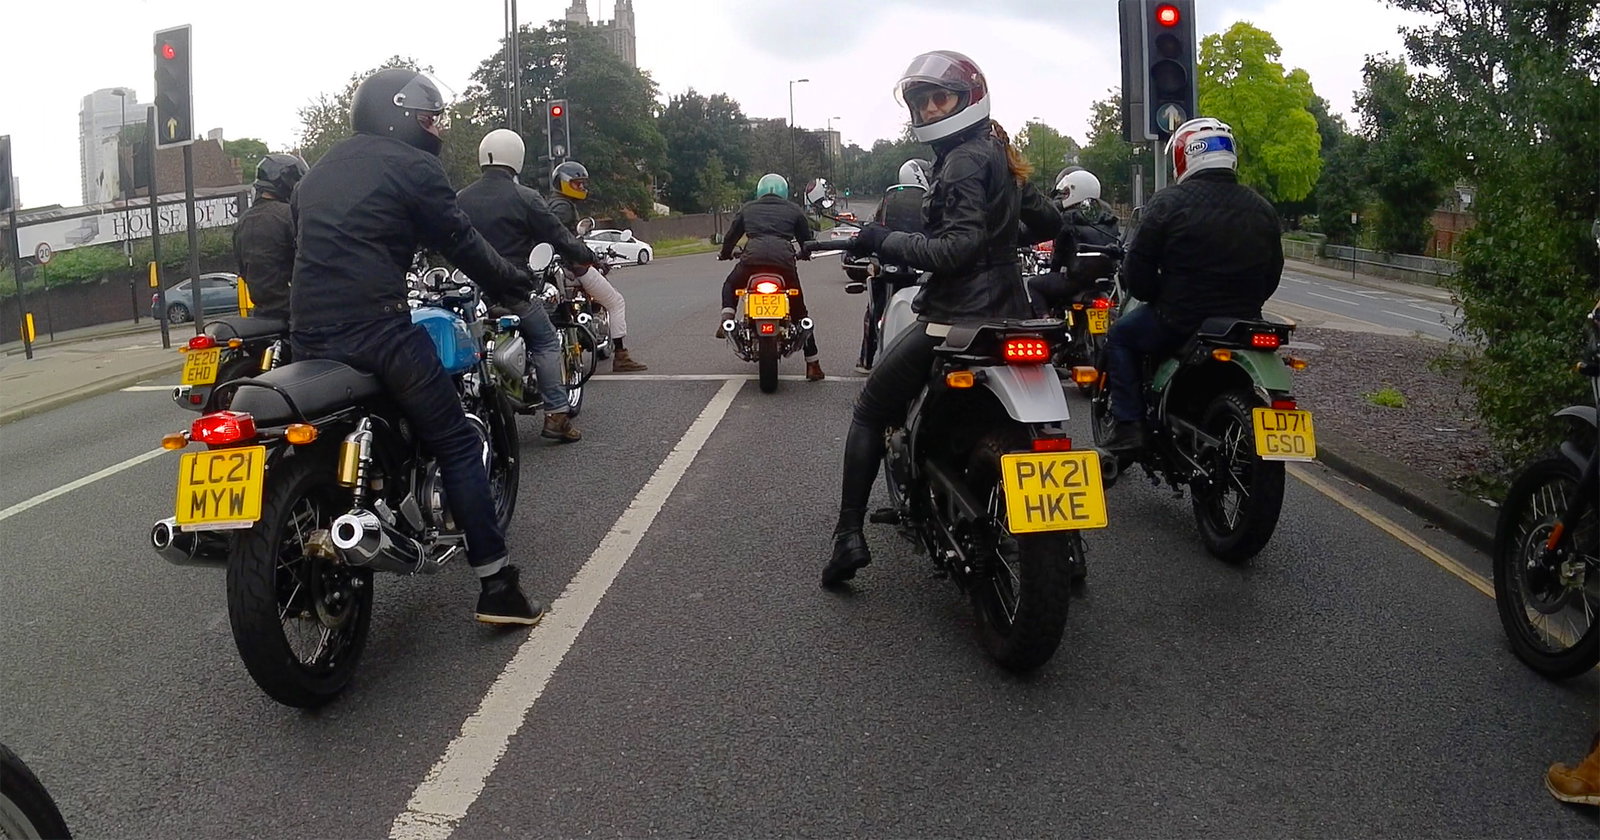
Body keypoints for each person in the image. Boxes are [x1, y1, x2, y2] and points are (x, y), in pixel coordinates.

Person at [288, 67, 545, 625]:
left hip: (306, 335)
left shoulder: (315, 175)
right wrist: (513, 283)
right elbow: (460, 240)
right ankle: (497, 586)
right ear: (401, 117)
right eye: (429, 117)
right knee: (453, 438)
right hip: (376, 330)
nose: (435, 127)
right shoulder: (414, 167)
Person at [823, 50, 1061, 586]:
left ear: (968, 100)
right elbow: (1046, 219)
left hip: (956, 316)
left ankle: (848, 537)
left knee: (869, 410)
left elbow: (954, 250)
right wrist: (1007, 238)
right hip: (1012, 314)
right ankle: (1065, 546)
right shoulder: (996, 154)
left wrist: (881, 238)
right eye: (921, 101)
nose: (929, 109)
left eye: (940, 98)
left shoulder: (961, 160)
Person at [1100, 116, 1283, 453]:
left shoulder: (1168, 202)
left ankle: (1130, 426)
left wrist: (1159, 298)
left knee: (1121, 336)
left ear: (1185, 156)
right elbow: (1272, 274)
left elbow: (1137, 271)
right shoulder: (1263, 209)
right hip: (1242, 323)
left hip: (1180, 319)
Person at [458, 128, 602, 443]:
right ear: (517, 158)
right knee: (547, 340)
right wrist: (587, 254)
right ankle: (557, 416)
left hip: (469, 293)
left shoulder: (461, 198)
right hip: (512, 288)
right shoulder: (526, 197)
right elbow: (559, 237)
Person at [717, 173, 825, 381]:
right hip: (783, 262)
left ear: (759, 190)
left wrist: (725, 253)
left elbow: (731, 236)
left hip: (752, 259)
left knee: (731, 284)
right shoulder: (794, 209)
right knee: (800, 312)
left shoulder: (748, 208)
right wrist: (805, 254)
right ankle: (813, 364)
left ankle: (726, 320)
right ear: (784, 191)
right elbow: (806, 241)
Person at [545, 160, 648, 373]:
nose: (582, 188)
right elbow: (566, 241)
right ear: (563, 183)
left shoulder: (551, 204)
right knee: (616, 301)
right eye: (577, 184)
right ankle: (621, 356)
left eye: (582, 184)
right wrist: (593, 258)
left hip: (553, 266)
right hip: (573, 267)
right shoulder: (563, 208)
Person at [855, 159, 930, 373]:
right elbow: (871, 227)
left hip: (911, 261)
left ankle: (867, 359)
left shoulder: (888, 203)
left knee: (874, 307)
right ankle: (868, 356)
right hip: (900, 262)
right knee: (876, 305)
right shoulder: (930, 201)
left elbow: (871, 225)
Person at [1026, 167, 1123, 314]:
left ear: (1074, 191)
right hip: (1104, 282)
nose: (1062, 197)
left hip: (1075, 281)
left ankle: (1045, 320)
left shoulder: (1067, 219)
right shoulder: (1110, 218)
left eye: (1065, 193)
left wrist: (1053, 271)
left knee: (1034, 284)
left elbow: (1058, 256)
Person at [233, 154, 307, 320]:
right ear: (289, 183)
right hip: (296, 313)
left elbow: (243, 271)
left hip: (261, 315)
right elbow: (308, 262)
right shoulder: (289, 215)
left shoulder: (242, 223)